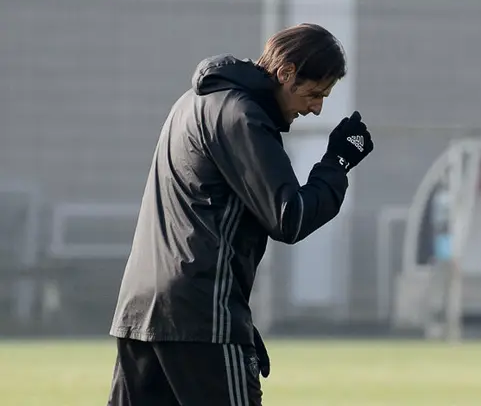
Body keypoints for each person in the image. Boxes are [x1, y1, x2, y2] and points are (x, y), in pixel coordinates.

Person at [107, 23, 374, 406]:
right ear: (286, 73)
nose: (316, 108)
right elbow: (289, 216)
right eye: (315, 93)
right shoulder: (241, 115)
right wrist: (338, 162)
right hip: (201, 315)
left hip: (140, 312)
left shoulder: (191, 103)